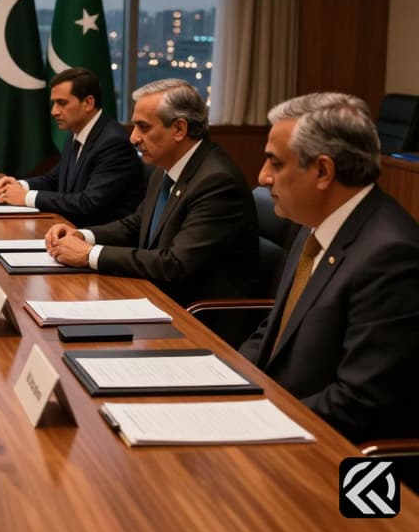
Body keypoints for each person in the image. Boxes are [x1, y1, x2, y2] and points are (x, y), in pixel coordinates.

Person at [240, 93, 419, 443]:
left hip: (338, 457)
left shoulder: (391, 255)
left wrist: (255, 420)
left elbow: (357, 403)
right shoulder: (314, 222)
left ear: (323, 171)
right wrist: (226, 379)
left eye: (275, 164)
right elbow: (274, 331)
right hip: (282, 419)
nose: (262, 177)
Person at [45, 79, 258, 306]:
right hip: (157, 295)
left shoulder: (217, 182)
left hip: (197, 315)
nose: (133, 138)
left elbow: (175, 264)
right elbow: (136, 225)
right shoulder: (165, 168)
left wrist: (89, 255)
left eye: (144, 127)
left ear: (179, 129)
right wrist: (81, 235)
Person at [0, 67, 143, 226]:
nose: (54, 112)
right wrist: (19, 185)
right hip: (71, 229)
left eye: (62, 103)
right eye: (54, 103)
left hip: (99, 239)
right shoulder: (77, 131)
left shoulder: (113, 142)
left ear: (88, 103)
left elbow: (88, 203)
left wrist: (26, 197)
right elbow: (54, 179)